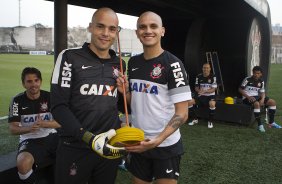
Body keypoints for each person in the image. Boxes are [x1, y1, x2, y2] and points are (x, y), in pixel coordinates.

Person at [50, 7, 126, 184]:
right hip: (74, 147)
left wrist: (124, 93)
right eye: (100, 26)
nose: (106, 33)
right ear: (90, 27)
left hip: (109, 147)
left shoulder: (120, 63)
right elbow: (58, 106)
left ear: (117, 32)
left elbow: (121, 107)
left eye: (112, 29)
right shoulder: (69, 57)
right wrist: (89, 139)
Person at [117, 11, 191, 184]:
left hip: (165, 145)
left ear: (162, 31)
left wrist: (157, 140)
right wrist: (125, 92)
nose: (147, 30)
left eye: (153, 26)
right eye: (142, 27)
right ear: (137, 32)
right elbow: (134, 103)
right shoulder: (133, 63)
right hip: (139, 142)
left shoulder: (173, 65)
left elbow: (182, 113)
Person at [8, 67, 60, 184]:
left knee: (72, 152)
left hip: (51, 136)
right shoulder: (16, 101)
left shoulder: (50, 97)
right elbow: (12, 129)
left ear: (40, 81)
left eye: (36, 80)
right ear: (23, 84)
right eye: (29, 81)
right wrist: (29, 128)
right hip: (30, 140)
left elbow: (61, 122)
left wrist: (45, 124)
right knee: (23, 163)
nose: (33, 84)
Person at [238, 66, 281, 132]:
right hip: (247, 98)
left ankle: (271, 123)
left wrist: (262, 99)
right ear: (253, 73)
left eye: (258, 73)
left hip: (257, 97)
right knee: (257, 104)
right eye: (255, 73)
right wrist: (248, 97)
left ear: (261, 74)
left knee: (272, 102)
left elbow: (262, 92)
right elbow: (240, 89)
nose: (256, 75)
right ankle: (260, 125)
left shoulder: (261, 81)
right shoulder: (247, 79)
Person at [188, 63, 217, 128]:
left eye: (207, 68)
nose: (205, 69)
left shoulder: (213, 76)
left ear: (210, 69)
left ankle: (210, 121)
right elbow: (196, 88)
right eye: (204, 68)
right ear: (202, 69)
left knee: (212, 103)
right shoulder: (198, 76)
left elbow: (213, 89)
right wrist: (199, 91)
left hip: (210, 95)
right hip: (201, 94)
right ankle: (195, 119)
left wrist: (205, 91)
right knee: (189, 102)